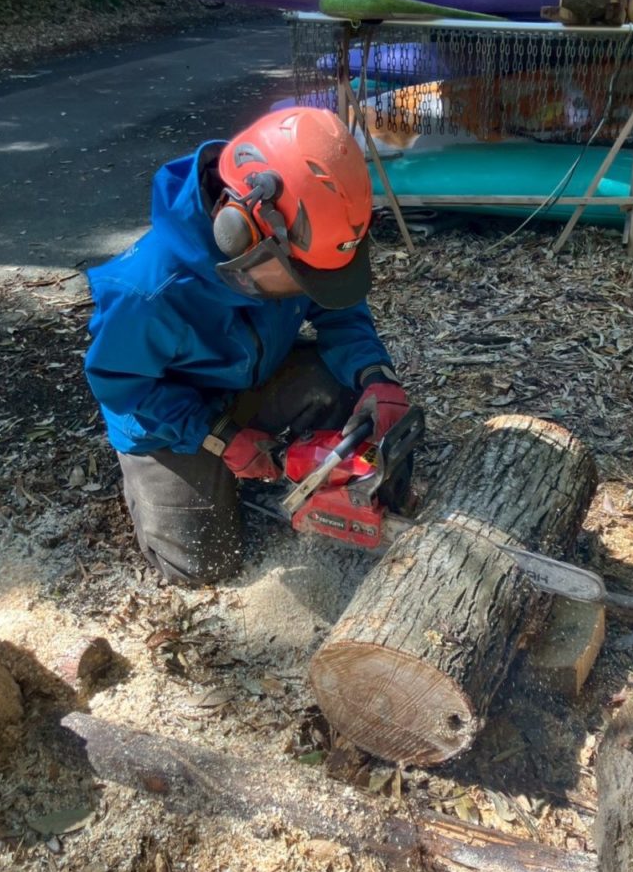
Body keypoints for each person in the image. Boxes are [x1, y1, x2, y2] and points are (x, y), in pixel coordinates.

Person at [84, 106, 410, 586]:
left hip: (252, 372)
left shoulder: (296, 240)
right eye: (299, 276)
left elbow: (337, 307)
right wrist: (218, 435)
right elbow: (124, 389)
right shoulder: (145, 293)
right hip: (167, 414)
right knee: (201, 566)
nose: (307, 288)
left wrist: (373, 374)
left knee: (343, 392)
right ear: (237, 232)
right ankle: (185, 477)